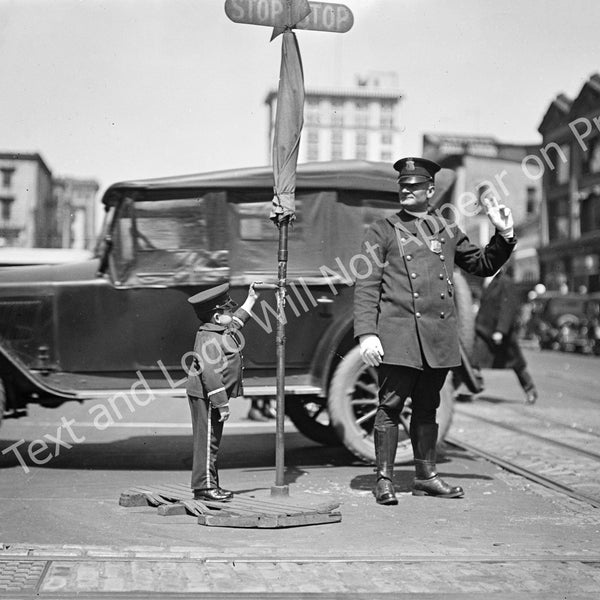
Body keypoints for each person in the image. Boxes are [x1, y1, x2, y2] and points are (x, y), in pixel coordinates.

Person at [354, 157, 517, 505]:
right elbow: (367, 285)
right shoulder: (382, 230)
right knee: (390, 406)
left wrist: (504, 234)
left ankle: (426, 477)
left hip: (438, 337)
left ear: (430, 191)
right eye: (403, 186)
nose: (406, 191)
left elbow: (482, 264)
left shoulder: (446, 230)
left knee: (427, 407)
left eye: (414, 187)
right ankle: (383, 479)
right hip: (398, 336)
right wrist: (367, 333)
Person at [186, 282, 259, 501]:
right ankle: (205, 488)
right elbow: (210, 375)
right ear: (217, 317)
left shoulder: (219, 329)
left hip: (210, 396)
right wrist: (221, 403)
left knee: (210, 440)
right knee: (209, 441)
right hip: (208, 397)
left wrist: (252, 299)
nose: (232, 313)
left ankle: (208, 485)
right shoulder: (209, 338)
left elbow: (238, 320)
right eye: (227, 310)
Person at [471, 266, 538, 404]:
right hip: (483, 330)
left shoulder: (505, 282)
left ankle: (530, 389)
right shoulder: (486, 281)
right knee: (473, 359)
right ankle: (469, 388)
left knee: (516, 363)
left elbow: (507, 308)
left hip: (500, 333)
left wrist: (501, 331)